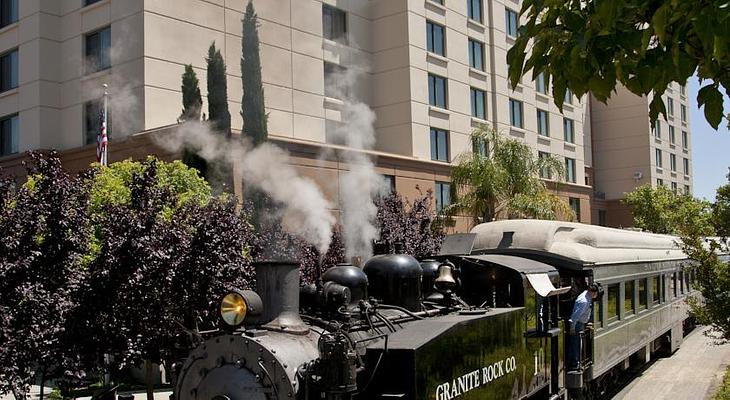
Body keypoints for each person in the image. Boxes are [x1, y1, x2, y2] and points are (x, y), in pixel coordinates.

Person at [567, 284, 598, 370]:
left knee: (576, 342)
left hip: (580, 323)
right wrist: (572, 328)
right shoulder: (584, 301)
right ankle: (575, 362)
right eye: (595, 293)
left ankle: (575, 361)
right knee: (575, 343)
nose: (595, 295)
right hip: (577, 324)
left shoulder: (586, 295)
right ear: (591, 292)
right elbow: (575, 316)